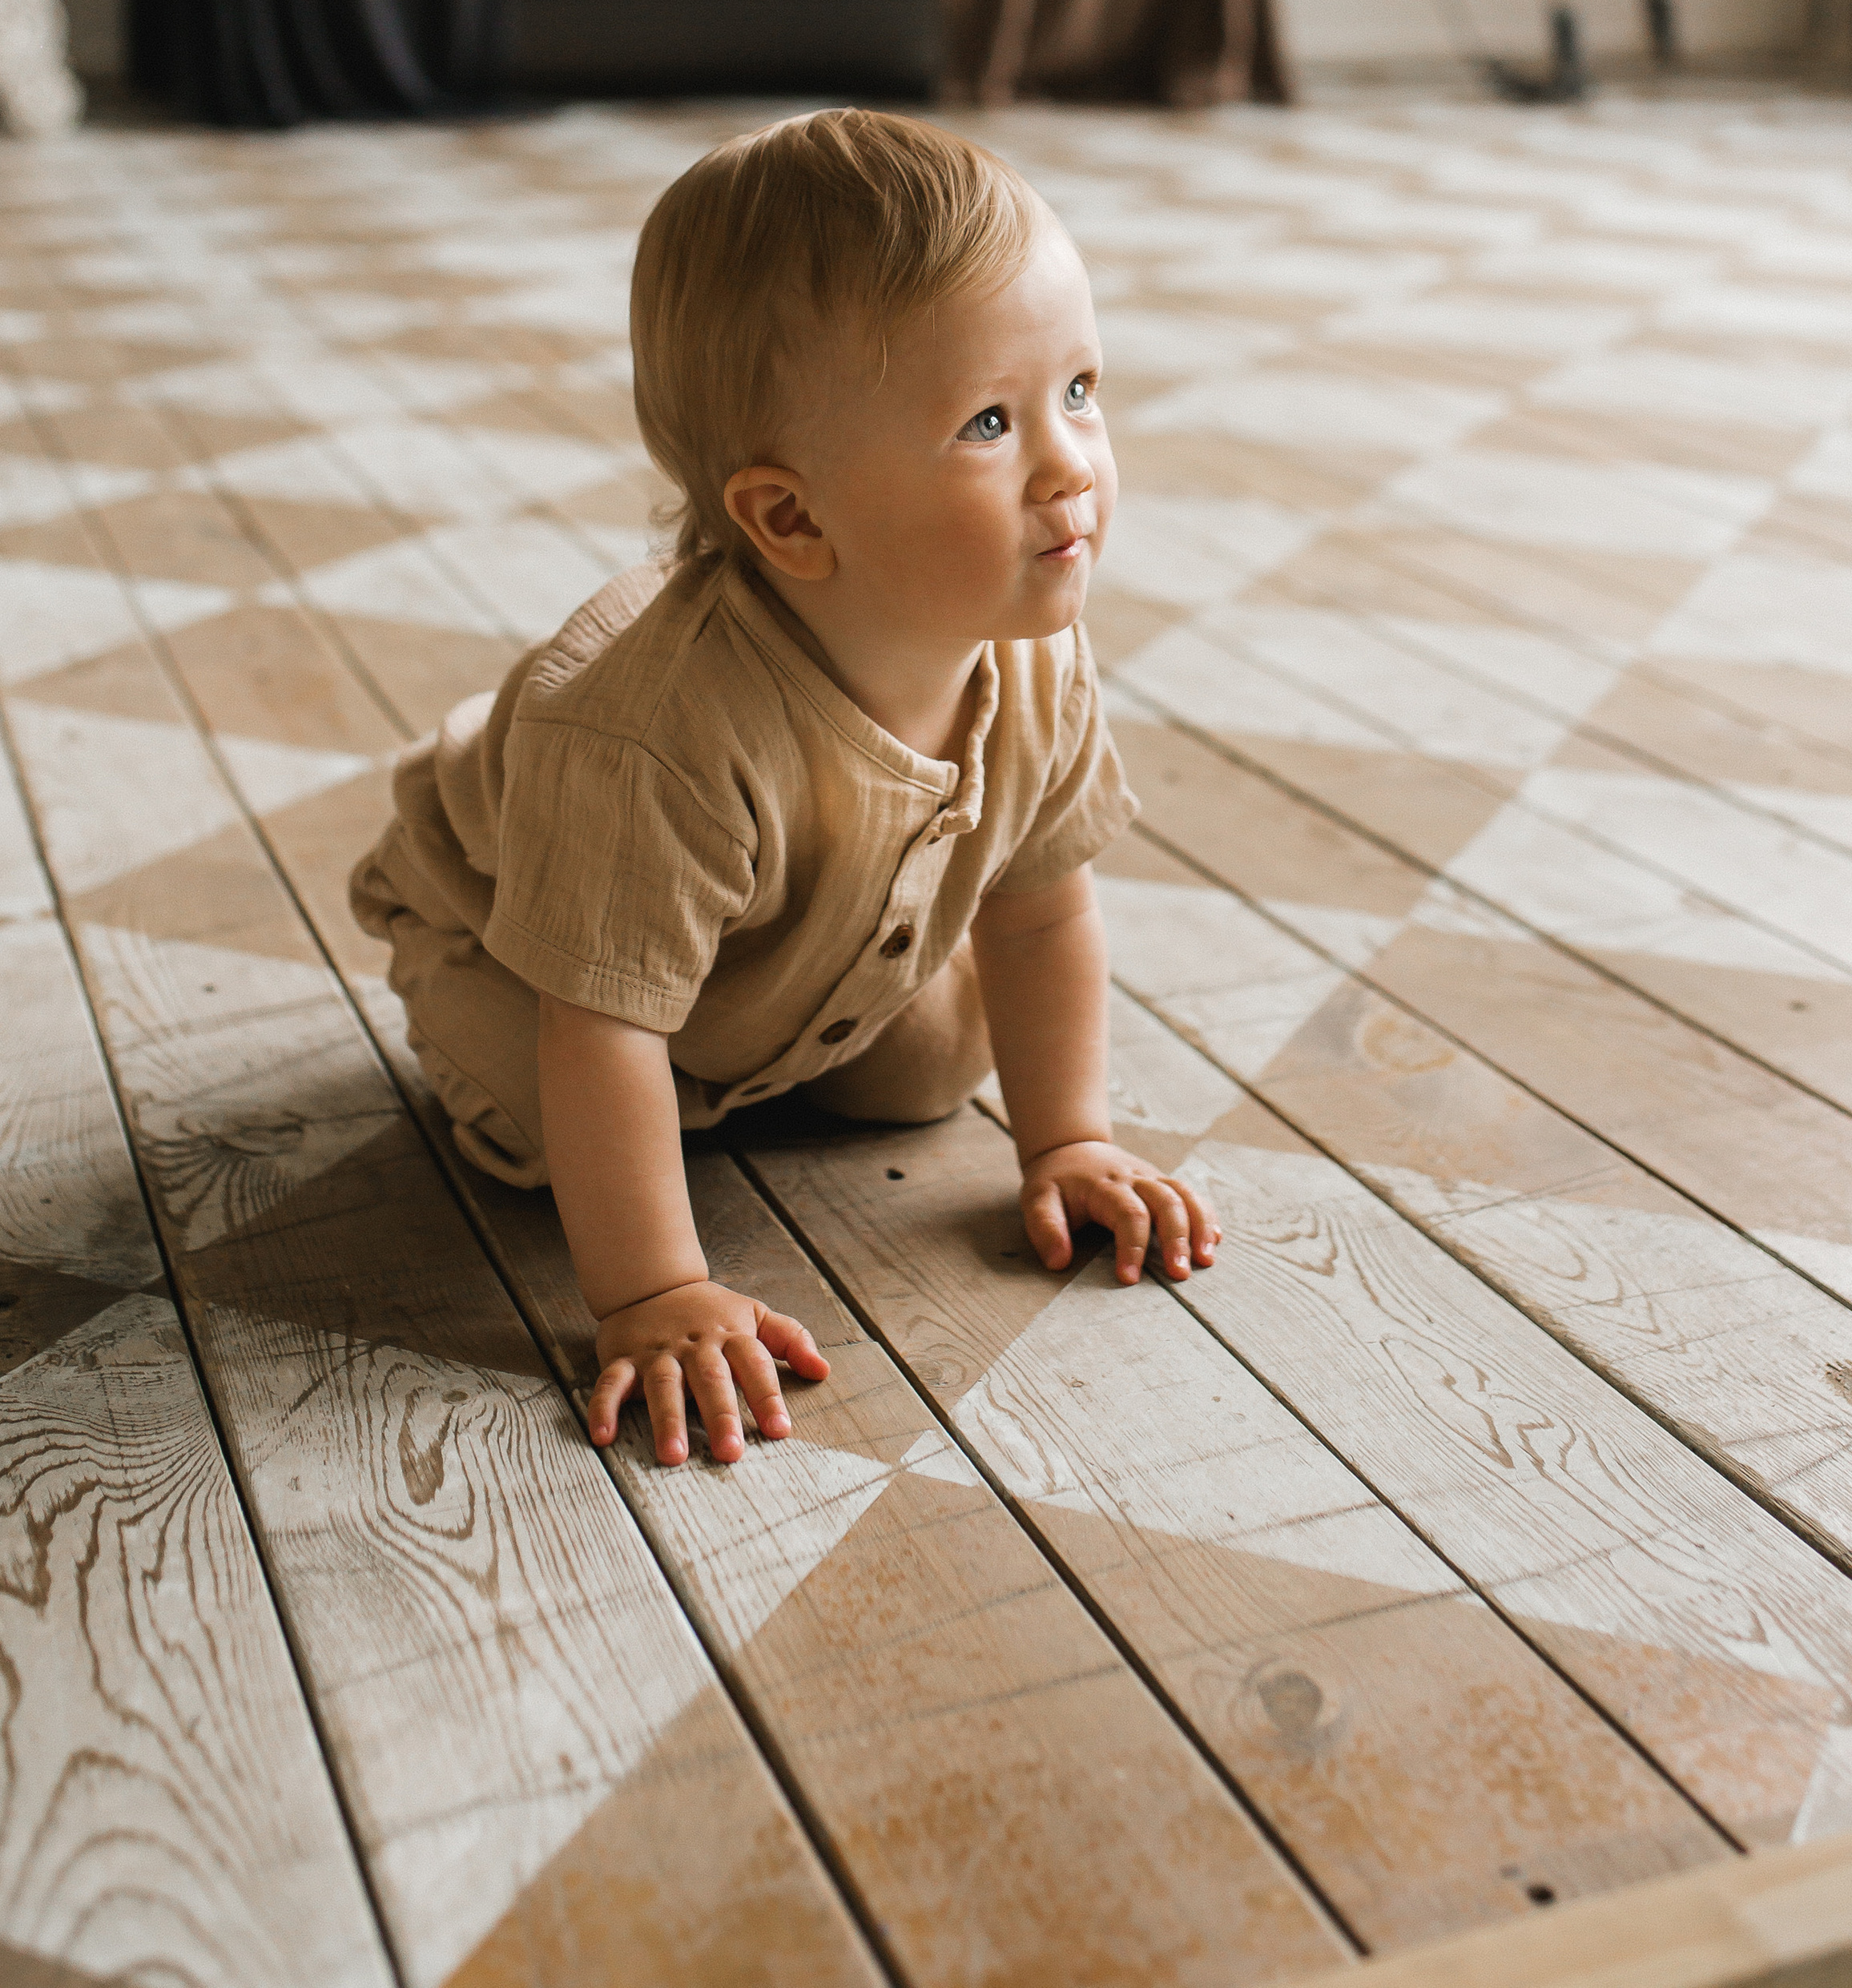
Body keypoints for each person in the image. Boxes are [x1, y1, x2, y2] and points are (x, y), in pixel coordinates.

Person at [351, 108, 1217, 1469]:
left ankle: (753, 1045)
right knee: (544, 1126)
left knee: (934, 1066)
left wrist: (1067, 1140)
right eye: (992, 422)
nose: (1071, 467)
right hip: (525, 936)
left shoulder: (1036, 656)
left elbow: (1043, 910)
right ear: (792, 519)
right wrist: (654, 1294)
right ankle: (611, 1056)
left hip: (775, 941)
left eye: (1082, 392)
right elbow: (604, 1033)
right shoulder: (655, 736)